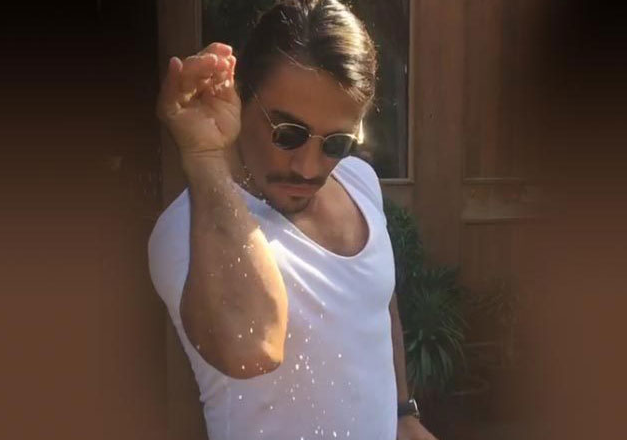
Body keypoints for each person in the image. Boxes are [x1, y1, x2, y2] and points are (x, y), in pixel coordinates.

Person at [149, 1, 438, 439]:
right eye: (287, 134)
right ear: (239, 97)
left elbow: (378, 303)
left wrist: (402, 413)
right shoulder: (186, 231)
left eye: (336, 143)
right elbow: (251, 348)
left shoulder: (358, 181)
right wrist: (206, 156)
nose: (307, 168)